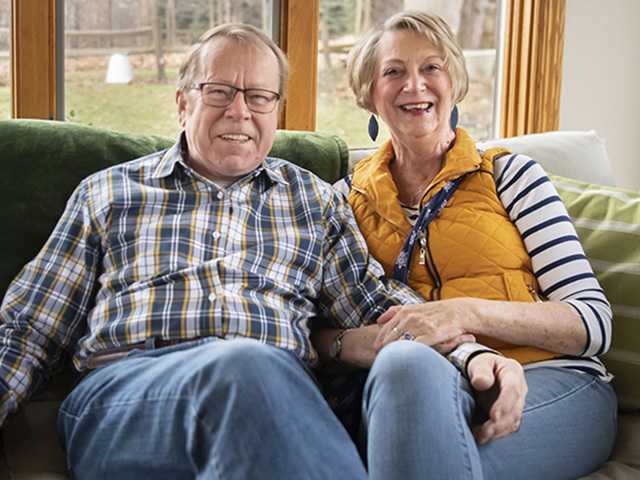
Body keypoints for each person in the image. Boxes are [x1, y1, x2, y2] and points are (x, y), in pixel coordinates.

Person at [0, 24, 424, 479]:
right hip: (126, 398)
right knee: (243, 366)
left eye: (259, 96)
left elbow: (374, 306)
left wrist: (471, 350)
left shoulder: (314, 200)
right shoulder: (110, 192)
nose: (239, 112)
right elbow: (30, 328)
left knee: (252, 380)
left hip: (274, 397)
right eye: (220, 91)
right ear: (184, 104)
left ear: (276, 111)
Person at [314, 11, 617, 480]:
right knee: (404, 364)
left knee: (428, 458)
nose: (415, 86)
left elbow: (591, 322)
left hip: (549, 380)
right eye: (394, 72)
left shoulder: (511, 177)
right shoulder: (339, 201)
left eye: (431, 68)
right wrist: (368, 343)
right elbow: (316, 331)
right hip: (420, 386)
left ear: (453, 82)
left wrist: (465, 313)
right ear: (368, 92)